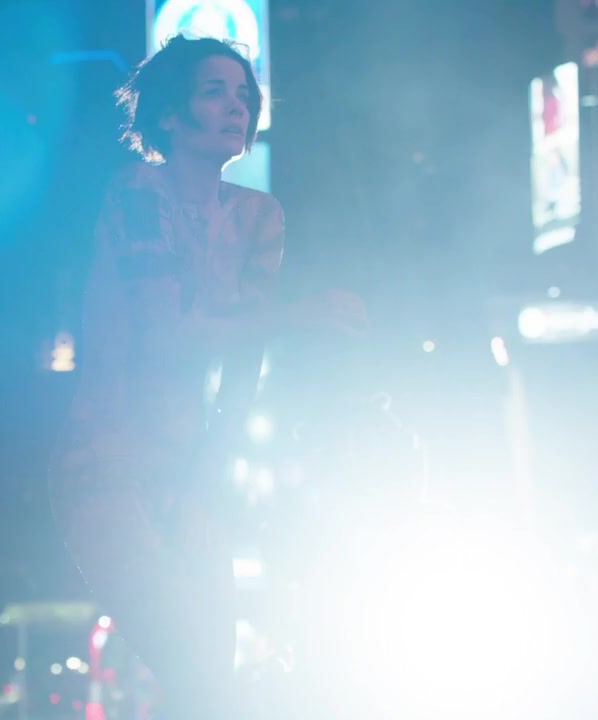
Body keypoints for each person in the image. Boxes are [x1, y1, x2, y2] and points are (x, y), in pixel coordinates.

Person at [48, 35, 364, 719]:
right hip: (110, 463)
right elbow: (167, 335)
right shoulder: (136, 192)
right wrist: (301, 315)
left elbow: (246, 361)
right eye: (214, 91)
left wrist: (211, 475)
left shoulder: (259, 215)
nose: (236, 107)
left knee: (214, 674)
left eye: (244, 95)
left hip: (192, 467)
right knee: (194, 664)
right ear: (169, 114)